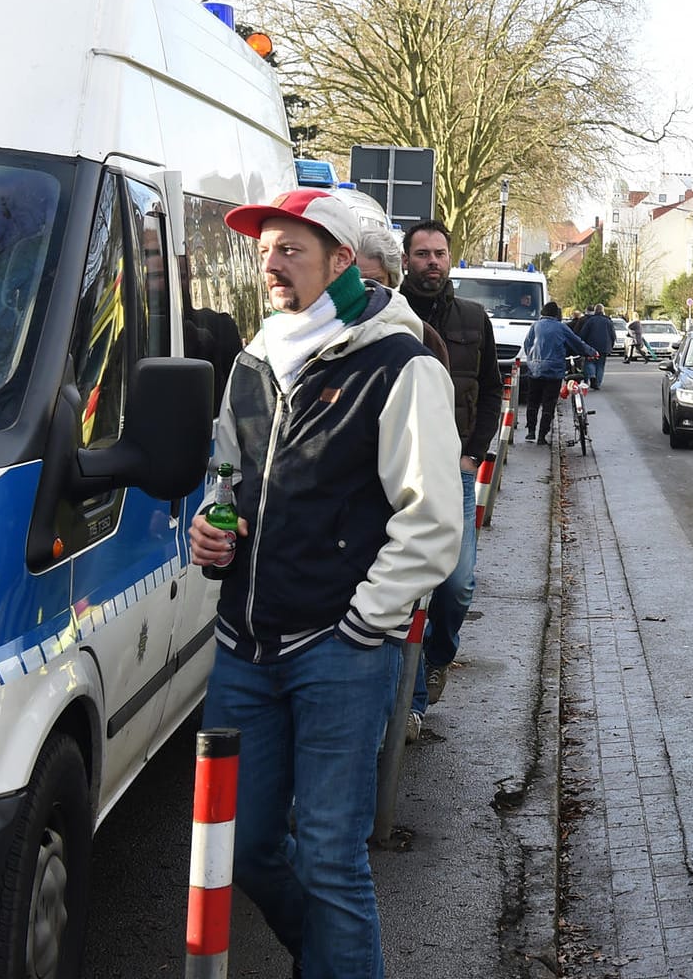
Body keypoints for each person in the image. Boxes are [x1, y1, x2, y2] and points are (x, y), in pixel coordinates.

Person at [190, 189, 462, 978]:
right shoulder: (252, 359)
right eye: (266, 249)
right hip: (244, 644)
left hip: (339, 652)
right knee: (241, 846)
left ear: (342, 261)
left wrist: (364, 622)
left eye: (291, 250)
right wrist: (213, 523)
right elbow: (225, 477)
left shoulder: (399, 363)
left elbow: (433, 519)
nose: (270, 264)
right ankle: (333, 960)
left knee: (332, 860)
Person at [397, 220, 502, 735]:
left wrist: (473, 456)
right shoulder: (386, 317)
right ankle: (412, 701)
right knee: (406, 589)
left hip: (455, 472)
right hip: (396, 472)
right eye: (422, 254)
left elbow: (490, 391)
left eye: (439, 253)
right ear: (406, 260)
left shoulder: (473, 318)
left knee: (455, 586)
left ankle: (439, 655)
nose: (432, 262)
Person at [358, 224, 450, 366]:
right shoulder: (327, 331)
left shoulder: (423, 335)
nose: (367, 290)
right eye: (358, 281)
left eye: (376, 282)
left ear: (391, 281)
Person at [521, 301, 596, 442]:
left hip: (535, 369)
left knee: (533, 401)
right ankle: (542, 436)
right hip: (554, 371)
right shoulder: (561, 327)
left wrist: (533, 359)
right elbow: (577, 343)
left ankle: (530, 431)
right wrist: (591, 352)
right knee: (549, 403)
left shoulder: (535, 326)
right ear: (556, 314)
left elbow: (527, 344)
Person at [575, 303, 617, 389]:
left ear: (595, 311)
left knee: (590, 362)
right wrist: (611, 346)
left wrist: (582, 345)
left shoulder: (590, 321)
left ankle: (592, 376)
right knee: (600, 365)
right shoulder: (608, 321)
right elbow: (613, 335)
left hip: (591, 346)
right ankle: (597, 383)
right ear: (603, 311)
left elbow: (583, 333)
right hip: (604, 347)